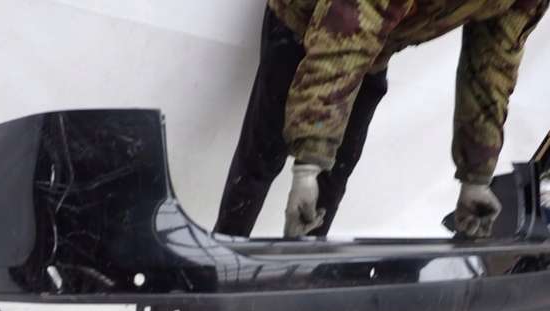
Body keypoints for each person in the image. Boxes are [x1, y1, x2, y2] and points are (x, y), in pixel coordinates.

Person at [214, 0, 548, 239]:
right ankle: (217, 263)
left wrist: (476, 177)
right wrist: (308, 162)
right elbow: (349, 30)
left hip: (373, 42)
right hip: (305, 18)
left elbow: (491, 67)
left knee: (336, 173)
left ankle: (301, 280)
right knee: (263, 157)